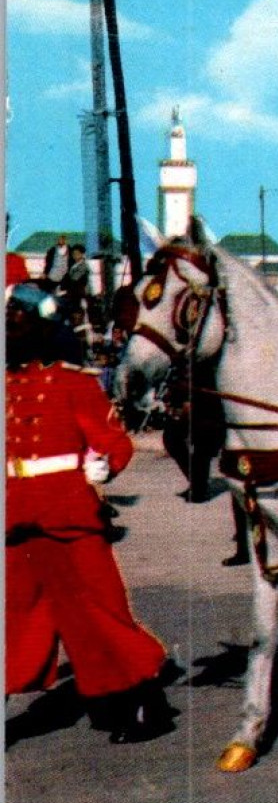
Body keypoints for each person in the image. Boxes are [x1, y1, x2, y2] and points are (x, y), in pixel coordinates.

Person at [5, 283, 177, 742]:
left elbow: (115, 441)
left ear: (36, 325)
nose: (8, 326)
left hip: (67, 510)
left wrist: (102, 465)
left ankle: (144, 699)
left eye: (15, 318)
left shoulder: (73, 382)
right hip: (16, 514)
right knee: (16, 615)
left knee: (97, 613)